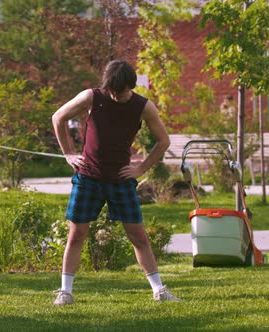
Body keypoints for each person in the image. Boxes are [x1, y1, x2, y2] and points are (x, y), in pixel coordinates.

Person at [51, 59, 180, 305]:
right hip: (88, 178)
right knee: (76, 235)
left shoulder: (143, 106)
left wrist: (141, 168)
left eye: (118, 92)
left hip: (120, 181)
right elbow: (58, 117)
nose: (113, 95)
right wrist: (68, 153)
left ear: (129, 87)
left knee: (138, 237)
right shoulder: (92, 97)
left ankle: (159, 291)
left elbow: (163, 141)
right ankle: (65, 292)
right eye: (110, 90)